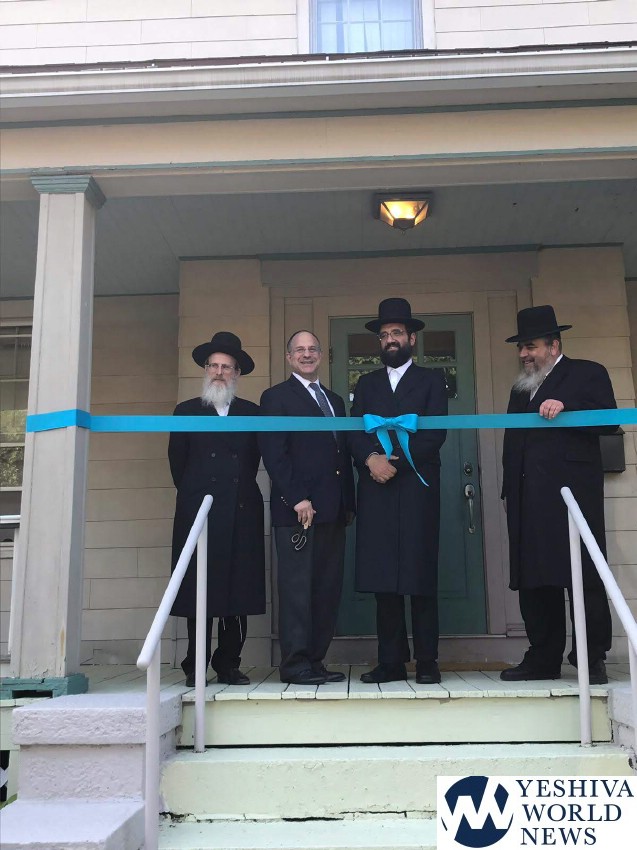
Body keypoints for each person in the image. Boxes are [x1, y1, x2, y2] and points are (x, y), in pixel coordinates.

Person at [500, 305, 616, 684]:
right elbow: (513, 441)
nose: (524, 354)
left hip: (572, 498)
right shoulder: (521, 387)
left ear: (554, 345)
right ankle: (543, 657)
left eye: (530, 346)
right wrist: (509, 489)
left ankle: (591, 657)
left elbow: (608, 420)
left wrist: (568, 407)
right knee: (535, 578)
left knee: (583, 575)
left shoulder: (587, 373)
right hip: (527, 498)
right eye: (521, 347)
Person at [349, 298, 448, 684]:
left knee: (420, 574)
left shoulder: (432, 380)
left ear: (412, 338)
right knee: (383, 576)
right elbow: (355, 431)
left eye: (397, 333)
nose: (390, 339)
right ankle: (390, 661)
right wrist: (371, 459)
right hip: (376, 488)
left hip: (417, 485)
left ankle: (427, 660)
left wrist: (395, 463)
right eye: (384, 335)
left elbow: (435, 434)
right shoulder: (366, 383)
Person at [169, 331, 265, 688]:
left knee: (237, 588)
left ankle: (229, 663)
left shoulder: (252, 413)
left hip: (242, 509)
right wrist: (197, 495)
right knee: (199, 587)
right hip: (199, 510)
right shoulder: (185, 411)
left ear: (237, 373)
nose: (219, 372)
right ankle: (195, 664)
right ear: (205, 370)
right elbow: (177, 465)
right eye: (214, 366)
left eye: (227, 367)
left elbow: (256, 459)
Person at [259, 330, 355, 685]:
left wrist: (347, 502)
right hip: (297, 511)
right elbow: (275, 454)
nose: (307, 354)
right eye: (299, 350)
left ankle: (315, 660)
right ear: (289, 357)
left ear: (321, 355)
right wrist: (297, 497)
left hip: (332, 510)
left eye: (312, 349)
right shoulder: (275, 397)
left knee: (326, 590)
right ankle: (295, 664)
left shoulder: (335, 401)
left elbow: (341, 454)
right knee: (298, 591)